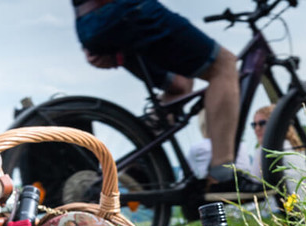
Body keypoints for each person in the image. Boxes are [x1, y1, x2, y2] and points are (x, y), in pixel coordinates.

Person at [72, 0, 263, 200]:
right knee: (223, 64)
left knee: (180, 84)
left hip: (89, 20)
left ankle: (139, 166)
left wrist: (92, 32)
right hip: (126, 10)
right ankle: (222, 176)